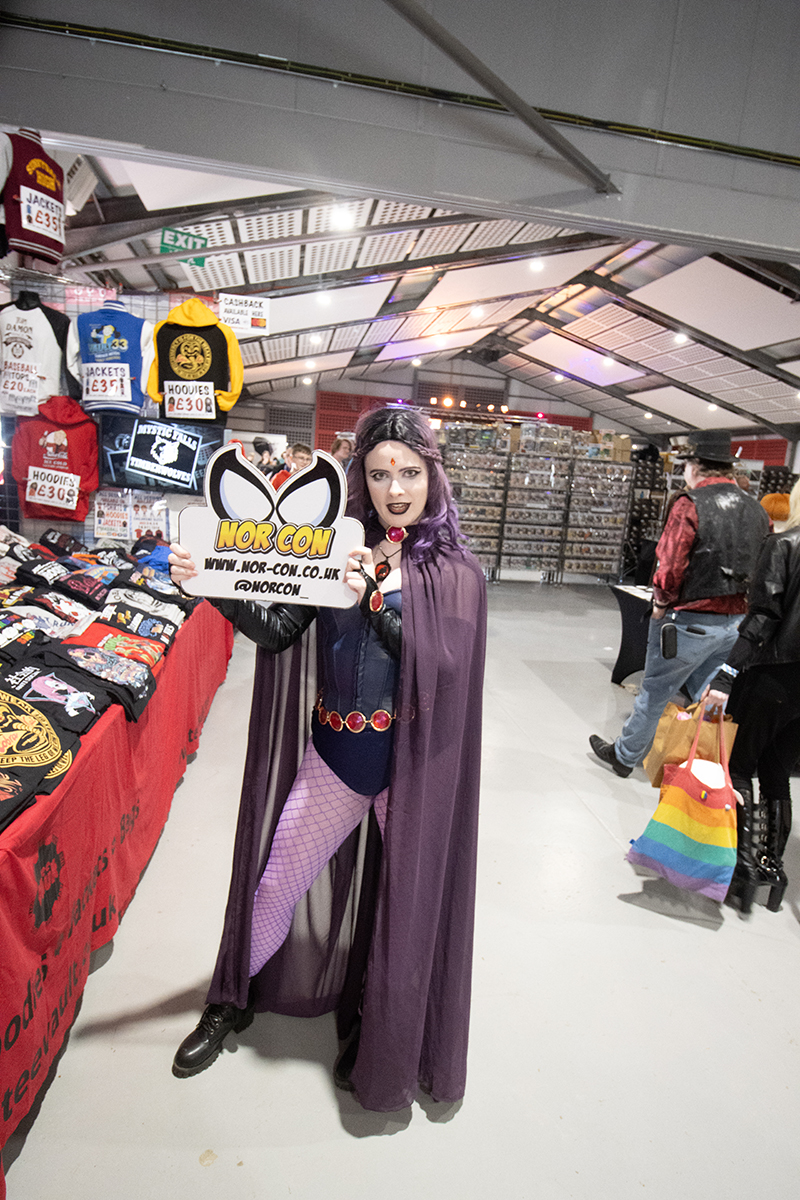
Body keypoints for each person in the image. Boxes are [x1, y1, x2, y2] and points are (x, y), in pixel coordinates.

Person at [168, 404, 487, 1111]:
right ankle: (231, 1000)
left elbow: (443, 668)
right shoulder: (335, 545)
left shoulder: (455, 570)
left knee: (408, 905)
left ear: (432, 476)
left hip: (415, 767)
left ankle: (384, 1026)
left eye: (409, 473)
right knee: (277, 882)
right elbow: (280, 628)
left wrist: (376, 602)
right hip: (341, 754)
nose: (395, 488)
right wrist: (213, 585)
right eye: (379, 474)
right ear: (360, 479)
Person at [590, 430, 769, 778]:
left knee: (655, 693)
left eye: (686, 463)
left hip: (690, 619)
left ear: (696, 466)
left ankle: (625, 756)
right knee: (711, 698)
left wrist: (660, 601)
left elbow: (671, 562)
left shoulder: (690, 503)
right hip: (736, 623)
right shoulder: (756, 508)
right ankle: (704, 765)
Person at [705, 476, 800, 914]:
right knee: (778, 769)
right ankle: (771, 868)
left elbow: (763, 615)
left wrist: (727, 672)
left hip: (774, 674)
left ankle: (740, 868)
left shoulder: (783, 545)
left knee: (740, 765)